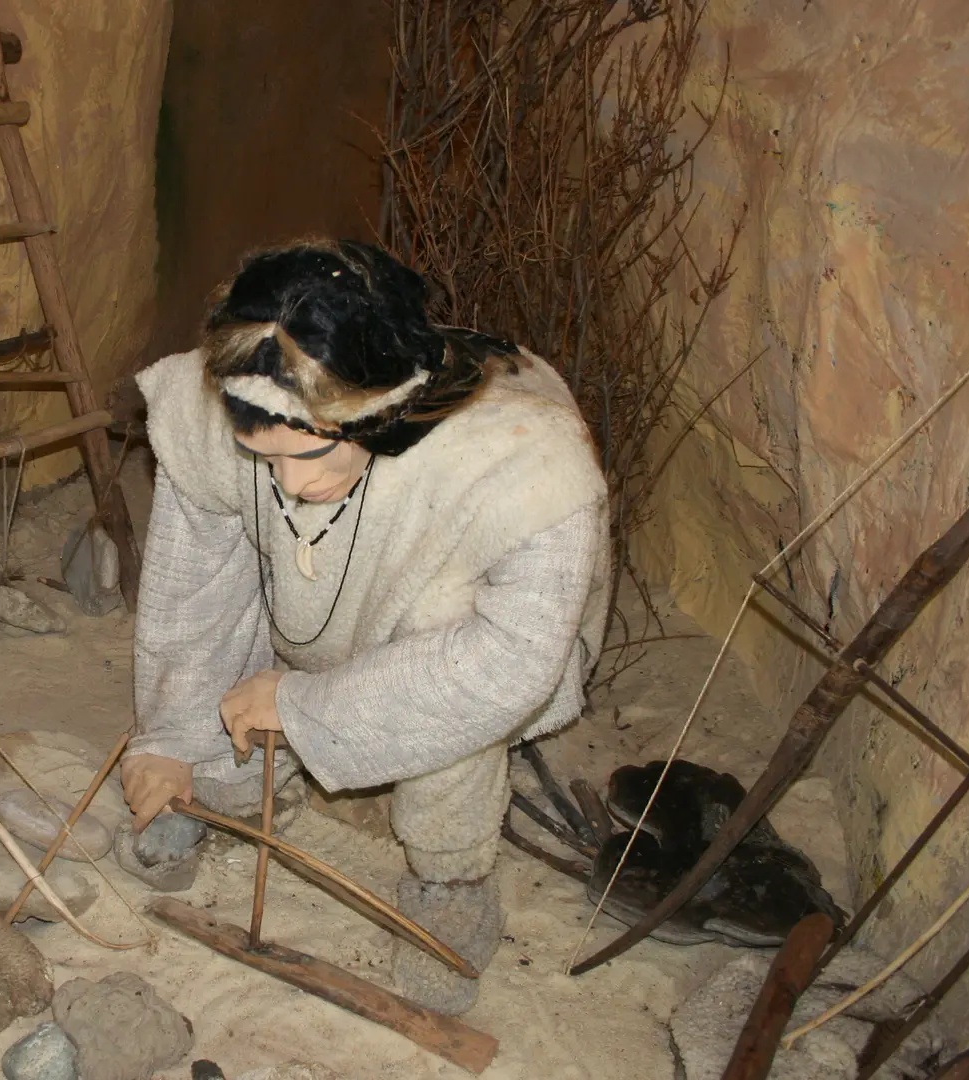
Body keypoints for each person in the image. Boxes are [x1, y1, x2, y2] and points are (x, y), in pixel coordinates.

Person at [118, 239, 610, 1015]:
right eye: (264, 455)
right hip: (327, 605)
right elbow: (197, 586)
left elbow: (504, 664)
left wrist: (307, 705)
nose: (293, 482)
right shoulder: (228, 399)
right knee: (266, 549)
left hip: (442, 623)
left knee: (440, 635)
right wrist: (173, 736)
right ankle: (232, 773)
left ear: (376, 411)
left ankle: (449, 875)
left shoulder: (523, 468)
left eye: (312, 451)